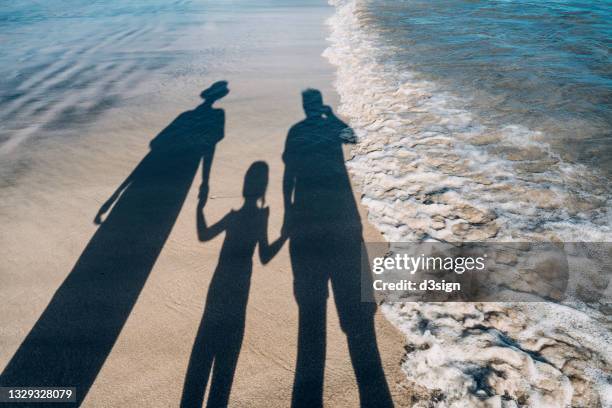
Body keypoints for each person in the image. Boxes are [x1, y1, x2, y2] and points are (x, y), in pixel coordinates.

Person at [282, 89, 393, 408]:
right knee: (356, 321)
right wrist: (331, 117)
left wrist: (289, 208)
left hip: (306, 211)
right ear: (316, 107)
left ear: (305, 107)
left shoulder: (296, 131)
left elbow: (289, 173)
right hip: (341, 213)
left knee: (311, 309)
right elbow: (352, 137)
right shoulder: (326, 126)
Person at [181, 161, 286, 408]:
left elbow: (203, 235)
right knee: (232, 332)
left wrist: (200, 206)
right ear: (263, 189)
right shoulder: (262, 216)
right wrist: (285, 234)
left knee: (208, 328)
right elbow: (264, 256)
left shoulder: (233, 216)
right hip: (241, 280)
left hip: (220, 277)